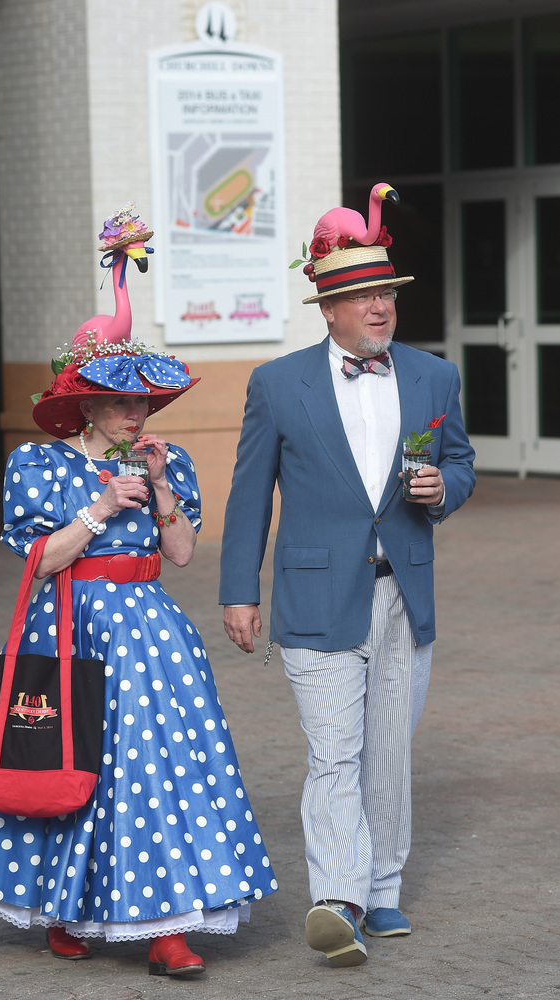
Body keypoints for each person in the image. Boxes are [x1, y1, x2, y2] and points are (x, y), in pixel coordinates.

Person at [0, 336, 278, 977]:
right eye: (116, 402)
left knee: (155, 772)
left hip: (149, 633)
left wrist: (161, 486)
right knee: (62, 755)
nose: (133, 414)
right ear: (85, 406)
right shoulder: (40, 463)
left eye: (140, 401)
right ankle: (61, 909)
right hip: (64, 627)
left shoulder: (169, 460)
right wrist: (99, 507)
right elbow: (39, 562)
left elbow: (184, 554)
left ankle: (166, 929)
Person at [219, 200, 475, 968]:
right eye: (363, 296)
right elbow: (246, 491)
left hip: (405, 588)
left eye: (387, 293)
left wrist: (443, 488)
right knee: (334, 751)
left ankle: (383, 886)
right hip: (312, 592)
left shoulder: (433, 374)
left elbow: (458, 461)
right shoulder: (275, 383)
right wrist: (240, 589)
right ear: (328, 309)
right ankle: (338, 898)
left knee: (387, 748)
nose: (379, 306)